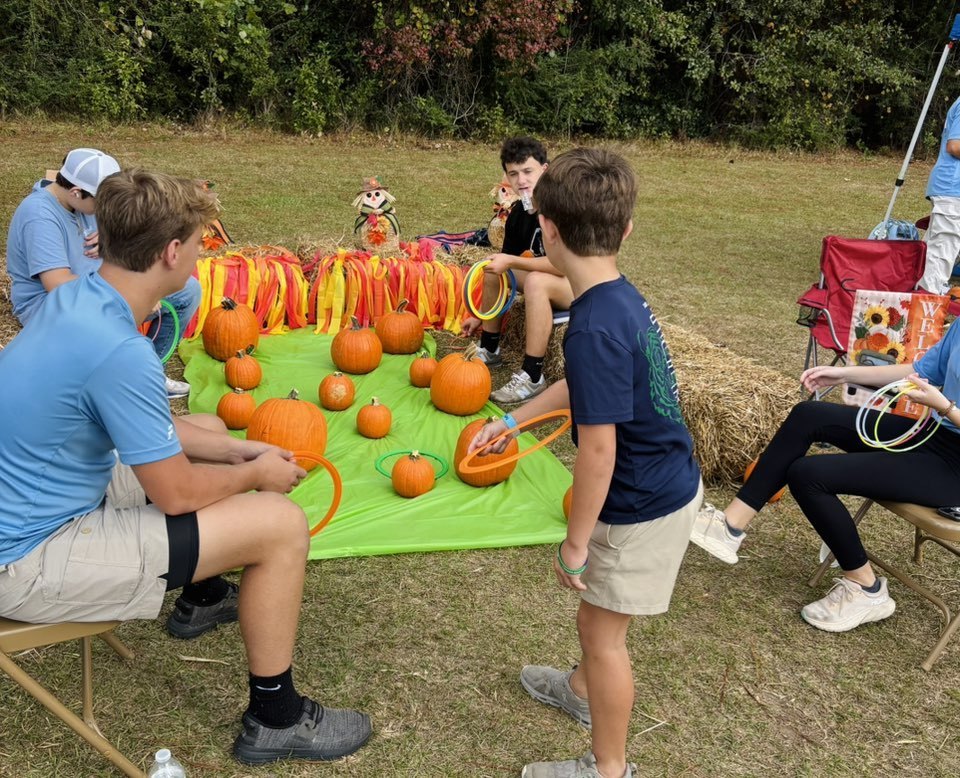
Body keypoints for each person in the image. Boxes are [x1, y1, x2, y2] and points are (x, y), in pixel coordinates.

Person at [0, 169, 372, 765]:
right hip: (23, 556)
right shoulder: (120, 352)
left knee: (215, 430)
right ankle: (276, 717)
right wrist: (255, 475)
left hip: (34, 503)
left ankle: (203, 595)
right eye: (200, 245)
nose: (201, 255)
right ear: (172, 253)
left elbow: (139, 420)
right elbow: (174, 493)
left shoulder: (78, 297)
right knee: (279, 525)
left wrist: (236, 450)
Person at [470, 148, 702, 778]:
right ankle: (579, 692)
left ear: (544, 227)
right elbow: (588, 387)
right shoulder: (616, 298)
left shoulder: (594, 324)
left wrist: (575, 543)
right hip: (661, 483)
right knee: (597, 621)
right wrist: (514, 420)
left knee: (604, 637)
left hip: (643, 500)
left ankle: (608, 769)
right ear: (625, 230)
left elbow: (599, 447)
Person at [690, 349, 960, 632]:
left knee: (808, 475)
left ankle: (866, 588)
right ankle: (730, 527)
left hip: (954, 470)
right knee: (810, 415)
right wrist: (844, 374)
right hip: (932, 435)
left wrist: (944, 407)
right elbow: (914, 371)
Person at [5, 148, 202, 399]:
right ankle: (130, 380)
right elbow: (58, 285)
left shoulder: (80, 203)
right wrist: (128, 295)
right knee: (122, 311)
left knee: (188, 291)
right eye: (102, 203)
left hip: (95, 286)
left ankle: (149, 370)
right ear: (76, 192)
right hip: (50, 306)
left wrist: (111, 238)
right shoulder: (39, 216)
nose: (105, 210)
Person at [462, 136, 574, 405]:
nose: (521, 180)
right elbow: (506, 260)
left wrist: (511, 262)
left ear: (544, 170)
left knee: (535, 281)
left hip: (576, 284)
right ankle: (489, 347)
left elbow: (561, 266)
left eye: (528, 171)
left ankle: (533, 376)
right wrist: (481, 315)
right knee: (493, 268)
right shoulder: (517, 213)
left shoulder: (559, 208)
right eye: (513, 173)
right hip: (547, 278)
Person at [920, 96, 960, 295]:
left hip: (951, 189)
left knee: (930, 253)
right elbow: (954, 146)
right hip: (952, 188)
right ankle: (927, 315)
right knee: (941, 253)